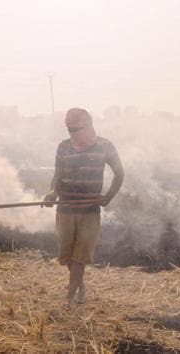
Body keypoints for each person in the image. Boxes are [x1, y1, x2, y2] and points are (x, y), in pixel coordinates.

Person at [43, 107, 124, 311]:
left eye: (77, 129)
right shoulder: (63, 147)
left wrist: (107, 197)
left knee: (80, 257)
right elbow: (57, 177)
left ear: (89, 124)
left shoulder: (105, 146)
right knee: (69, 257)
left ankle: (69, 297)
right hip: (65, 210)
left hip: (89, 211)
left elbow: (120, 173)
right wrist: (53, 193)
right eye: (70, 129)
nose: (73, 134)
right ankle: (79, 282)